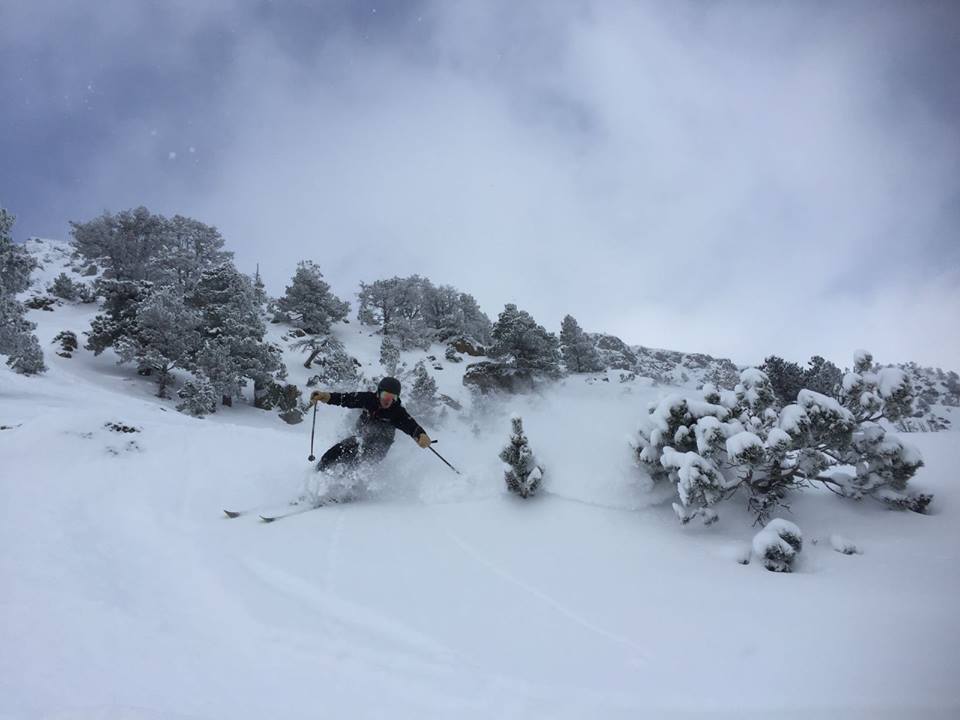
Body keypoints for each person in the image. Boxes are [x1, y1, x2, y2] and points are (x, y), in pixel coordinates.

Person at [309, 376, 432, 473]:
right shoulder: (368, 399)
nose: (387, 400)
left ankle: (348, 490)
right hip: (361, 437)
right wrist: (326, 396)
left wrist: (421, 435)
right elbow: (346, 398)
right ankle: (316, 476)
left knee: (358, 463)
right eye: (385, 395)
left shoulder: (397, 412)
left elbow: (411, 425)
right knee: (335, 453)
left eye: (392, 397)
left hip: (380, 446)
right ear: (378, 393)